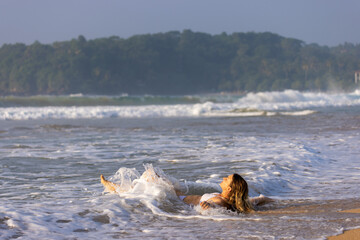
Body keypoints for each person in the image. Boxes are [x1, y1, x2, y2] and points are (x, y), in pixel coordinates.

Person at [100, 170, 272, 214]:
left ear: (229, 189)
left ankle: (116, 189)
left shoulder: (220, 201)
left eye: (227, 178)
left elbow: (212, 206)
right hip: (178, 195)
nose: (224, 177)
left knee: (149, 178)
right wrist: (266, 199)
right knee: (151, 175)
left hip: (175, 200)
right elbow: (256, 200)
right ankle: (117, 189)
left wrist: (208, 207)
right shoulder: (235, 201)